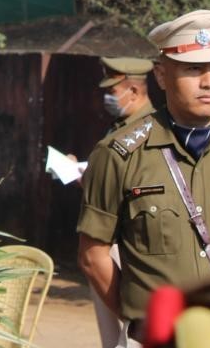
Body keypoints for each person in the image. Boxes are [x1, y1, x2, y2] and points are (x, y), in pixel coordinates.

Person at [77, 10, 210, 348]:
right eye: (193, 69)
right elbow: (93, 255)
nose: (209, 82)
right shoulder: (119, 154)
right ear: (162, 75)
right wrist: (141, 321)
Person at [89, 55, 155, 348]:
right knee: (111, 334)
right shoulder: (120, 126)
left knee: (131, 333)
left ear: (134, 91)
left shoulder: (150, 130)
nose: (108, 97)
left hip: (128, 241)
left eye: (113, 91)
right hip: (104, 240)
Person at [99, 56, 155, 131]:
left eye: (112, 92)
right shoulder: (120, 123)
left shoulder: (153, 127)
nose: (106, 97)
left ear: (133, 92)